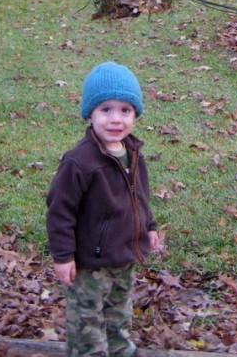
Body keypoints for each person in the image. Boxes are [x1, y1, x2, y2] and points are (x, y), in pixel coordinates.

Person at [46, 61, 159, 357]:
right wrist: (62, 256)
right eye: (105, 109)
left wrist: (150, 226)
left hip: (124, 254)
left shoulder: (132, 152)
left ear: (135, 114)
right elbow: (60, 211)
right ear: (90, 113)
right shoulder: (79, 163)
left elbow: (140, 195)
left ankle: (120, 349)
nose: (115, 119)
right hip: (89, 262)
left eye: (125, 110)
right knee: (87, 317)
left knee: (119, 309)